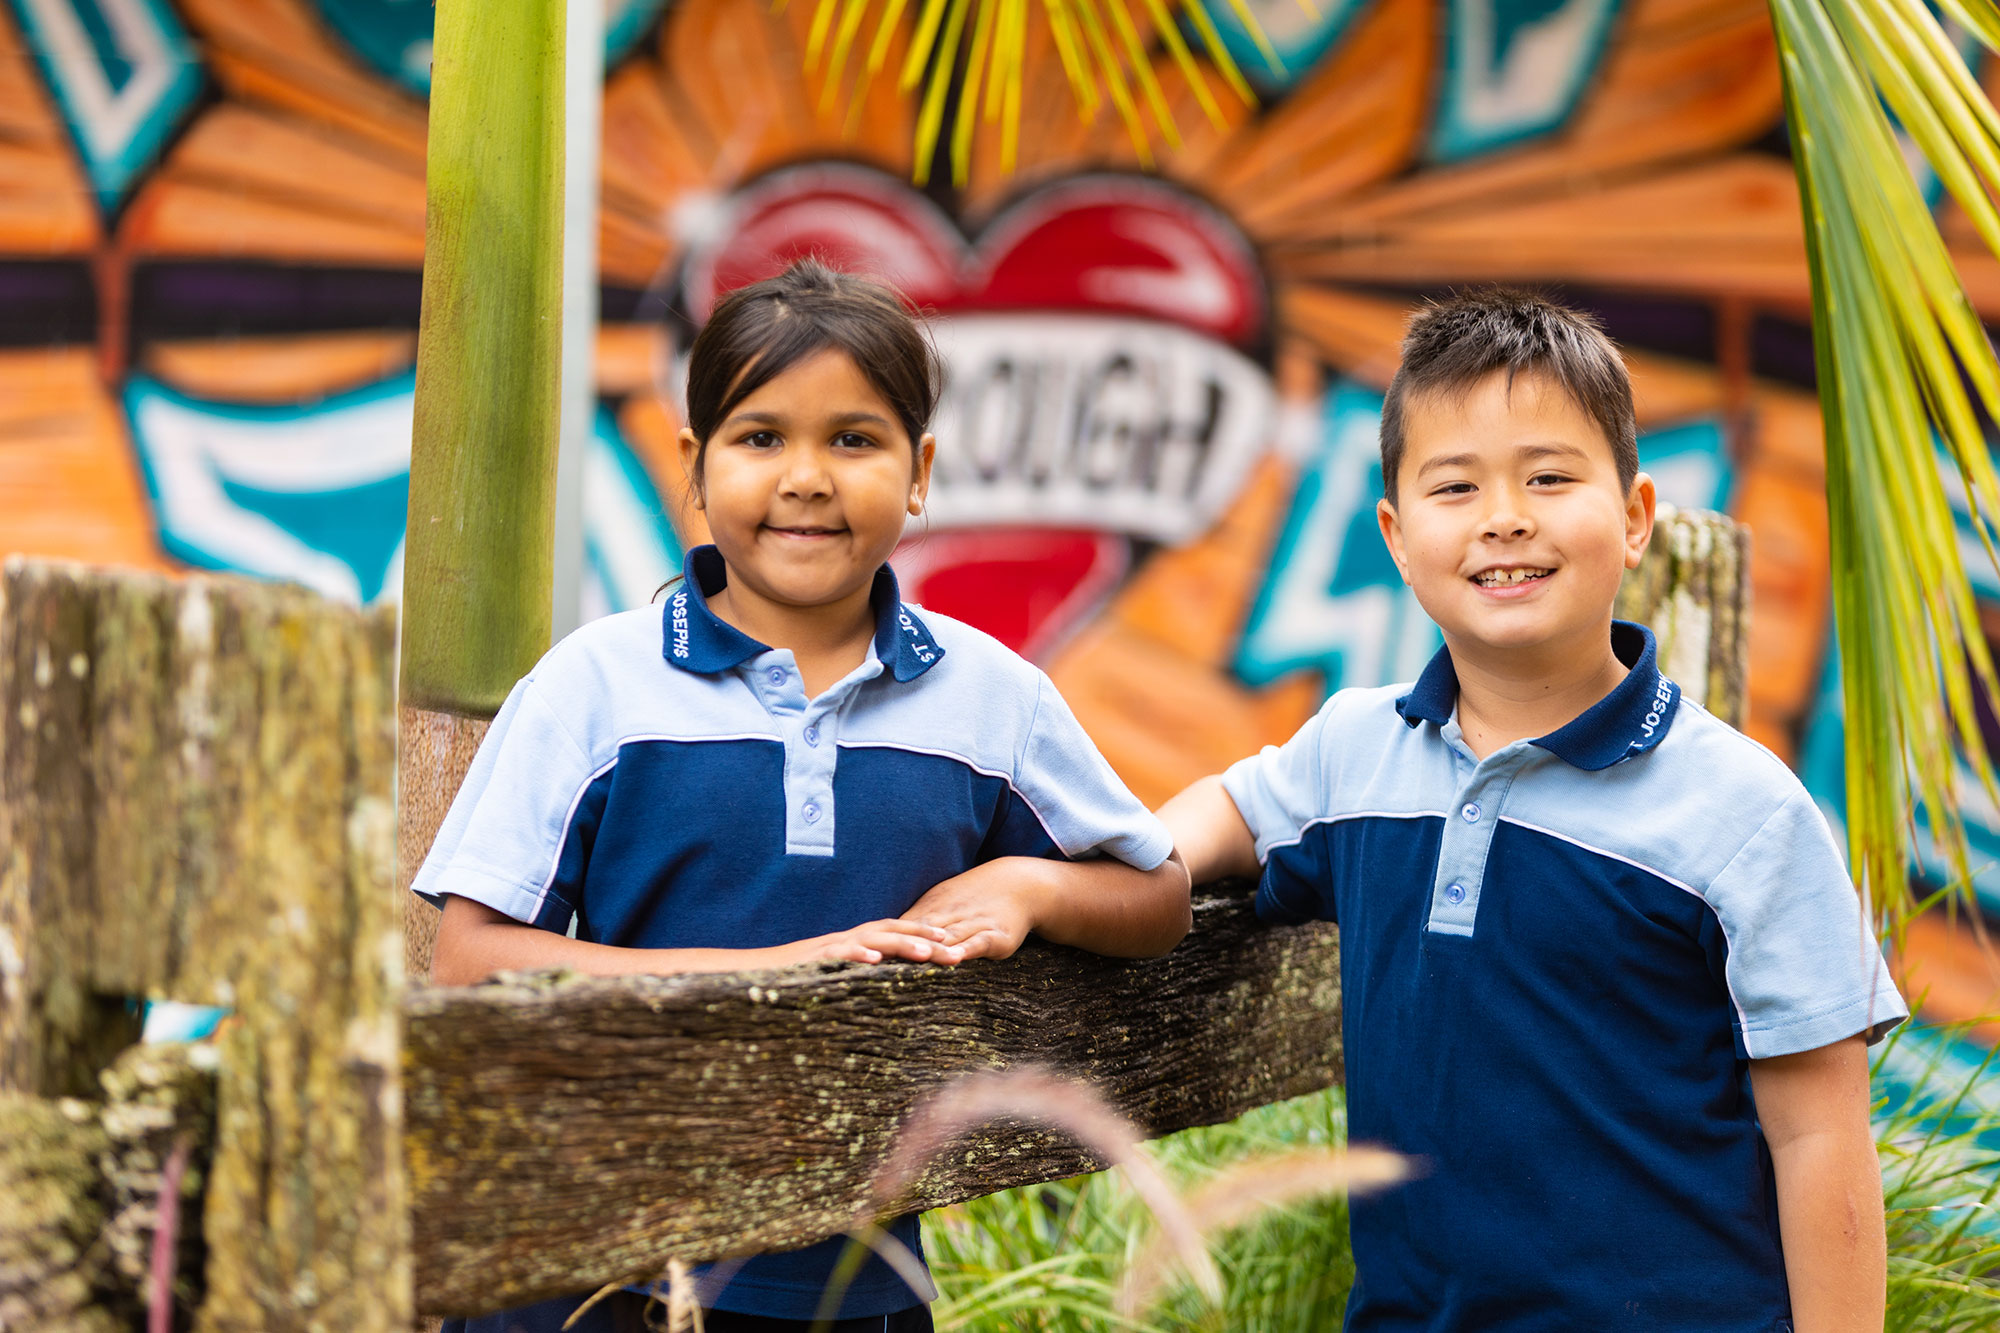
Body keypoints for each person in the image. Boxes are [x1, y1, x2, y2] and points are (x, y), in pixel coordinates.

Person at [414, 258, 1191, 1333]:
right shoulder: (595, 688)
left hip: (854, 1286)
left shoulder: (989, 700)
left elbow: (1156, 897)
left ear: (919, 470)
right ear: (695, 464)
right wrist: (765, 977)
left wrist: (1024, 884)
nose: (806, 477)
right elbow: (472, 961)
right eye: (761, 436)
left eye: (853, 439)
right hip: (589, 1272)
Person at [1158, 289, 1906, 1332]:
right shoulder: (1354, 750)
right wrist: (1102, 871)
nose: (1503, 516)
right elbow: (1230, 810)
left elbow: (1818, 1138)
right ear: (1395, 534)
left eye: (1548, 477)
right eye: (1453, 486)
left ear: (1635, 515)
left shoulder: (1741, 811)